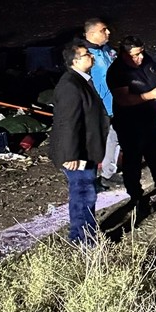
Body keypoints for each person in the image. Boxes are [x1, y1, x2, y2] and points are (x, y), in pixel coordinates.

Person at [49, 41, 110, 244]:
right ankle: (85, 240)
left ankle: (83, 236)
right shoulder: (70, 85)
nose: (91, 57)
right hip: (77, 154)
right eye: (86, 55)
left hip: (85, 149)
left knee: (85, 193)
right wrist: (71, 155)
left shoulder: (82, 81)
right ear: (75, 61)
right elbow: (67, 122)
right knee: (84, 194)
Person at [106, 36, 156, 208]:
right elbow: (123, 99)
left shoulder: (145, 60)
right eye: (135, 55)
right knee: (133, 161)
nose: (140, 58)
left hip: (150, 120)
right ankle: (136, 196)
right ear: (124, 54)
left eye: (141, 53)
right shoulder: (117, 72)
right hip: (130, 124)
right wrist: (150, 95)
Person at [83, 17, 120, 189]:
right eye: (103, 30)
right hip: (97, 106)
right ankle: (89, 180)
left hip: (114, 104)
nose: (108, 32)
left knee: (115, 138)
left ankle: (108, 173)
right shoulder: (84, 55)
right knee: (94, 142)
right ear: (91, 34)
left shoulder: (106, 50)